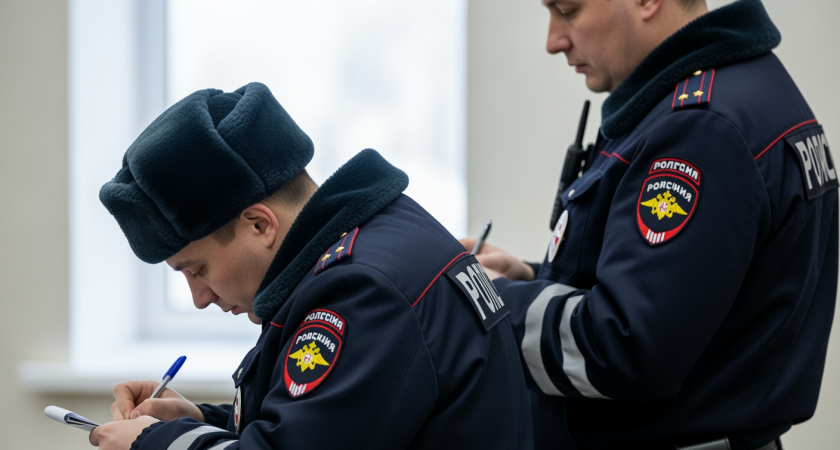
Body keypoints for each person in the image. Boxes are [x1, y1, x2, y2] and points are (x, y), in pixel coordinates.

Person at [462, 0, 838, 449]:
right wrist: (531, 277)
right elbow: (678, 297)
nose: (553, 41)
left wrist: (482, 304)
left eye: (568, 9)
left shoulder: (702, 131)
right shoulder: (741, 89)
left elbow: (625, 346)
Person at [90, 82, 533, 450]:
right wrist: (200, 423)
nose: (199, 298)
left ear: (260, 224)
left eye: (197, 269)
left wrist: (156, 444)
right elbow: (339, 426)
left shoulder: (362, 294)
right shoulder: (383, 235)